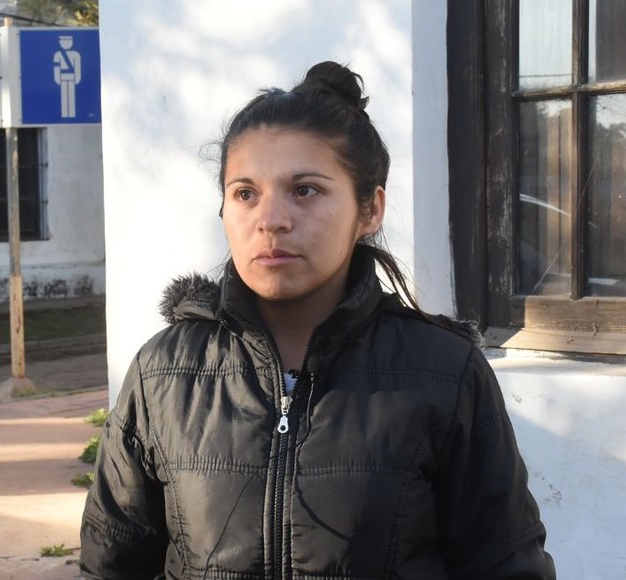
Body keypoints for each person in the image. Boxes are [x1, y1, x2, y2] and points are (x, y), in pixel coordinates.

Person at [79, 61, 556, 579]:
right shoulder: (164, 374)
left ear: (370, 210)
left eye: (304, 190)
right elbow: (110, 565)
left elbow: (507, 566)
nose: (271, 220)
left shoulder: (445, 373)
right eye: (245, 193)